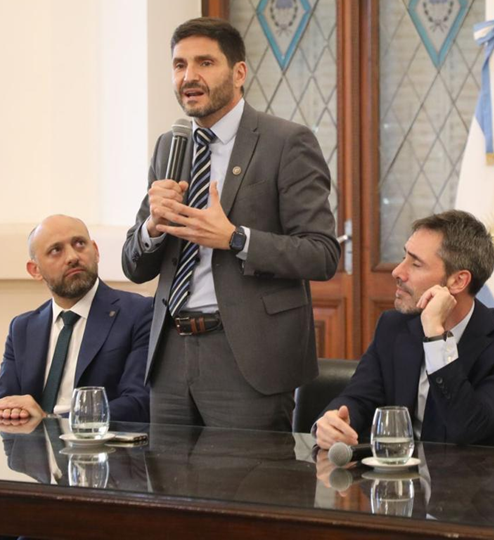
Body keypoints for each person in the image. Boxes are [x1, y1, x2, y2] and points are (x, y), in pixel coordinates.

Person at [122, 17, 339, 430]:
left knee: (245, 472)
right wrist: (152, 227)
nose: (189, 76)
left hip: (249, 358)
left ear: (239, 73)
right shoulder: (170, 145)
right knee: (165, 474)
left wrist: (236, 238)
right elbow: (134, 267)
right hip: (170, 357)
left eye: (205, 63)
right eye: (180, 65)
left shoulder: (285, 142)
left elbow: (322, 254)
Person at [314, 210, 494, 449]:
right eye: (403, 257)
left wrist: (436, 336)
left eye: (416, 264)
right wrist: (335, 422)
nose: (397, 271)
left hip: (474, 472)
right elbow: (360, 397)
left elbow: (468, 427)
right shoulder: (393, 326)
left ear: (458, 281)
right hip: (399, 471)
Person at [0, 215, 152, 423]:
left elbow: (138, 403)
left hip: (101, 441)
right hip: (31, 443)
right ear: (35, 270)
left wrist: (51, 420)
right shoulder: (23, 328)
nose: (72, 257)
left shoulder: (138, 312)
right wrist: (8, 413)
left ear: (96, 251)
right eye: (56, 250)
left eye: (80, 244)